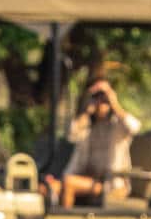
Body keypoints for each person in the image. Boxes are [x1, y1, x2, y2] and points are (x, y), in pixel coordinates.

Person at [44, 78, 141, 209]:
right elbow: (71, 134)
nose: (100, 102)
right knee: (47, 188)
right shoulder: (89, 128)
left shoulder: (118, 126)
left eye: (103, 97)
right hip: (88, 180)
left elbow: (134, 127)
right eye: (97, 97)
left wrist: (113, 102)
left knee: (69, 183)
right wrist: (88, 109)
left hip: (112, 184)